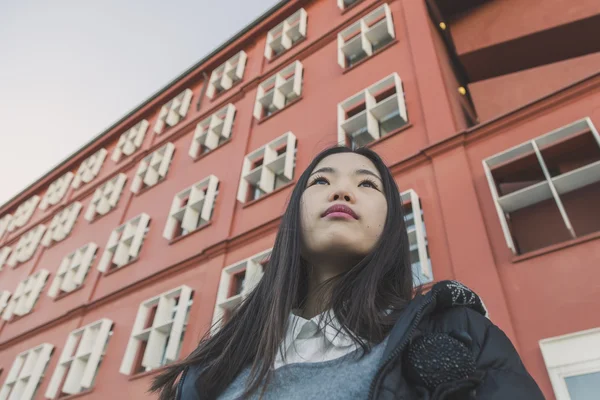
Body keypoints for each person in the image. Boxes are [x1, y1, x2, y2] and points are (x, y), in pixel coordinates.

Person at [151, 146, 544, 399]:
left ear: (390, 221)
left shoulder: (456, 331)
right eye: (321, 180)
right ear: (294, 214)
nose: (341, 192)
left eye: (367, 184)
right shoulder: (207, 373)